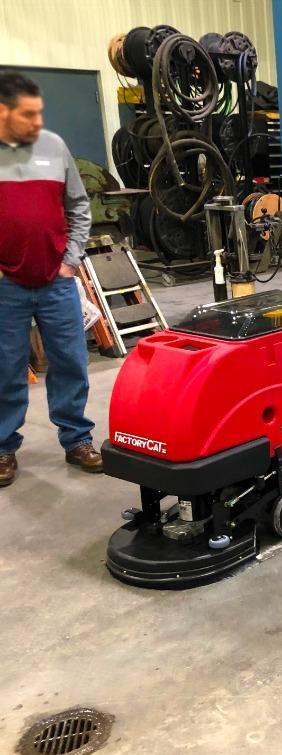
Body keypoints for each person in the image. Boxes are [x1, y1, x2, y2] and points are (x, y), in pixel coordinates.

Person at [0, 71, 102, 487]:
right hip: (6, 285)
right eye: (28, 115)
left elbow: (79, 207)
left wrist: (71, 259)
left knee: (71, 363)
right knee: (5, 368)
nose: (37, 122)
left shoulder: (54, 147)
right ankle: (4, 447)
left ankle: (77, 439)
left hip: (56, 281)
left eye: (39, 112)